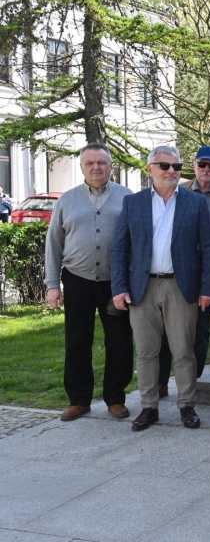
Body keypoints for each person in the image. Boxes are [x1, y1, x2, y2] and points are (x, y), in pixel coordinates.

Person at [111, 146, 210, 431]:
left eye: (177, 166)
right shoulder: (133, 203)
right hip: (142, 287)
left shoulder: (195, 203)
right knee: (146, 351)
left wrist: (208, 288)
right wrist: (119, 287)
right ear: (150, 169)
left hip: (181, 287)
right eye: (165, 166)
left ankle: (187, 406)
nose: (172, 171)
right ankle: (149, 407)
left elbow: (209, 248)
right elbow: (120, 248)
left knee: (184, 351)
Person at [44, 143, 133, 421]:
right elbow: (54, 243)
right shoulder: (67, 200)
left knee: (120, 341)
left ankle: (115, 398)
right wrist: (52, 284)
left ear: (111, 166)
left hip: (116, 282)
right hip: (77, 280)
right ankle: (79, 400)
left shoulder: (127, 197)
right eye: (90, 163)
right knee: (77, 340)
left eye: (102, 162)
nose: (96, 167)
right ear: (82, 167)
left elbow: (138, 239)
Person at [158, 146, 210, 397]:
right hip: (176, 268)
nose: (206, 169)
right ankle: (160, 381)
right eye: (202, 164)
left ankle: (192, 381)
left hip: (208, 269)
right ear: (194, 165)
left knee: (200, 329)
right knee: (165, 329)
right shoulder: (177, 190)